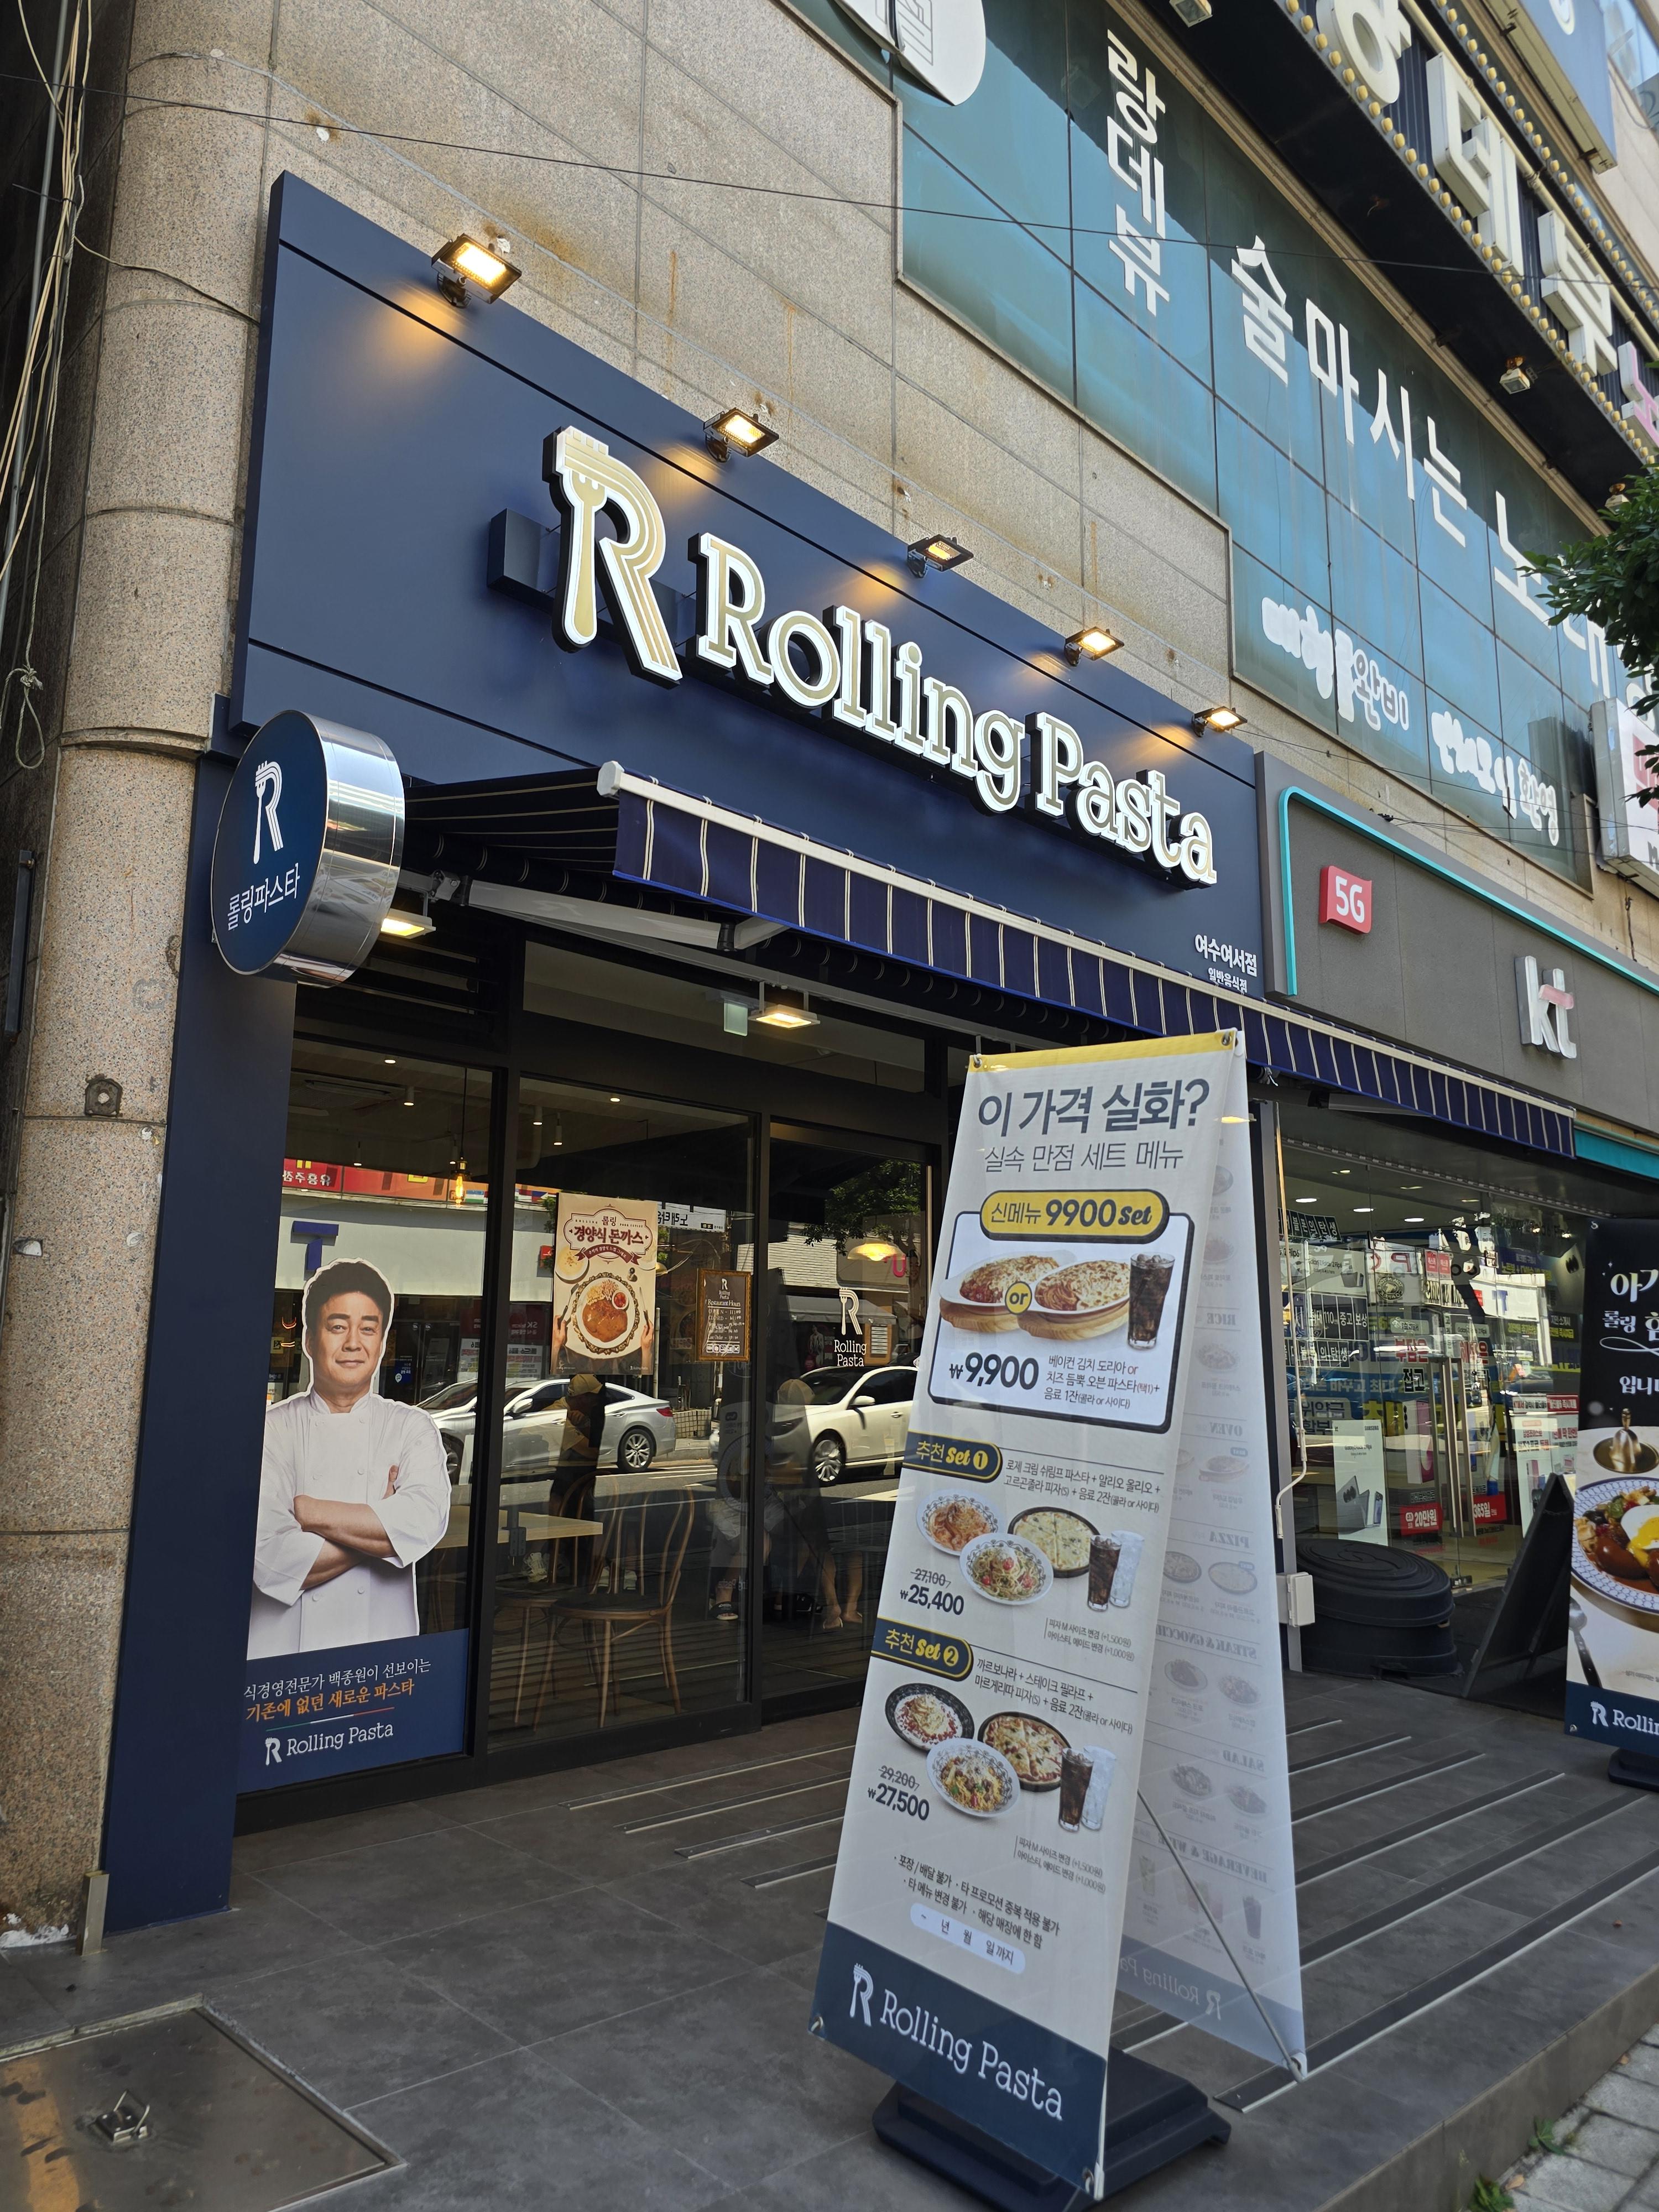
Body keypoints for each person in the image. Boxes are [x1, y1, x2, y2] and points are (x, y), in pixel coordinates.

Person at [248, 1258, 450, 1658]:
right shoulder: (270, 1430)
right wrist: (385, 1529)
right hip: (281, 1659)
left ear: (383, 1344)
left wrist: (309, 1512)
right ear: (310, 1340)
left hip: (378, 1660)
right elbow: (269, 1558)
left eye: (368, 1328)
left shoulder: (412, 1427)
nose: (354, 1343)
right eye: (338, 1327)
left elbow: (425, 1521)